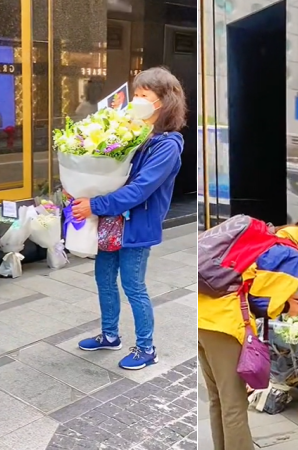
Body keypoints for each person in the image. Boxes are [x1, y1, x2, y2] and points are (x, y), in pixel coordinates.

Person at [71, 67, 186, 370]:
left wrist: (95, 204)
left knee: (133, 286)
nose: (136, 100)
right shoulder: (131, 134)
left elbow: (139, 190)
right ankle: (110, 335)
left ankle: (146, 348)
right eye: (135, 94)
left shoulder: (167, 145)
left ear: (162, 102)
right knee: (104, 279)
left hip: (135, 225)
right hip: (111, 221)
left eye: (143, 95)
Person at [198, 214, 298, 450]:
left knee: (218, 399)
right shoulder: (291, 254)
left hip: (203, 315)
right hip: (226, 324)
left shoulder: (271, 236)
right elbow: (262, 303)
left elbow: (252, 281)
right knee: (234, 404)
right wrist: (287, 306)